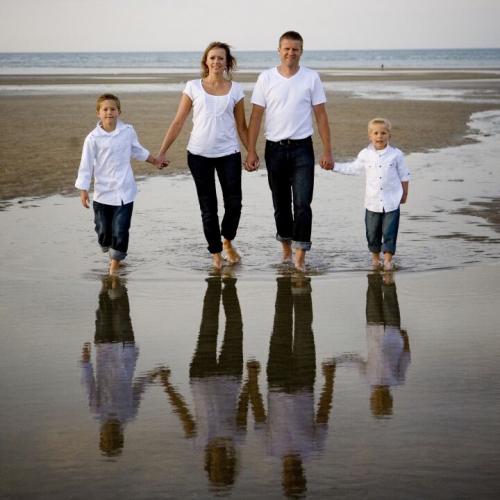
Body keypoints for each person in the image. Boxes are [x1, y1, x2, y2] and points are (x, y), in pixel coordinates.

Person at [245, 30, 333, 272]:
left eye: (295, 49)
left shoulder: (311, 77)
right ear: (279, 50)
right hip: (274, 149)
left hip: (302, 149)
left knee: (303, 203)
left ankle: (300, 256)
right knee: (280, 204)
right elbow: (255, 117)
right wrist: (251, 151)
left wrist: (328, 151)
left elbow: (321, 116)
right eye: (286, 48)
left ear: (301, 52)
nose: (290, 53)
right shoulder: (265, 78)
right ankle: (286, 250)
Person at [157, 42, 248, 270]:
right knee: (209, 208)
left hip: (229, 153)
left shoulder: (236, 90)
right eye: (212, 58)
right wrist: (162, 151)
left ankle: (227, 240)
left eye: (221, 58)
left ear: (228, 62)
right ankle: (216, 254)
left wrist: (252, 152)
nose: (216, 62)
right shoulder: (193, 87)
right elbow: (178, 121)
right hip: (199, 155)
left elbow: (242, 126)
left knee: (234, 204)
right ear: (206, 61)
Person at [75, 94, 158, 275]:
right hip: (102, 193)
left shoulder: (127, 131)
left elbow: (137, 150)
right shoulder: (93, 138)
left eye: (113, 109)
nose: (109, 112)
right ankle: (108, 247)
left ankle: (114, 265)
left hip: (125, 192)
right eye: (105, 109)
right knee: (103, 230)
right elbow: (86, 165)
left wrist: (155, 161)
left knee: (121, 229)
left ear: (119, 112)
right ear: (98, 113)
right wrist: (83, 190)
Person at [333, 117, 410, 270]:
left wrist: (404, 194)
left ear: (389, 135)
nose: (379, 136)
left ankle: (387, 261)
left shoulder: (396, 154)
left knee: (390, 232)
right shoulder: (365, 154)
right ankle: (375, 260)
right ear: (370, 136)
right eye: (375, 133)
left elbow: (404, 175)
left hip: (391, 202)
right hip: (372, 202)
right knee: (372, 233)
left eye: (383, 133)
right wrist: (333, 166)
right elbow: (353, 168)